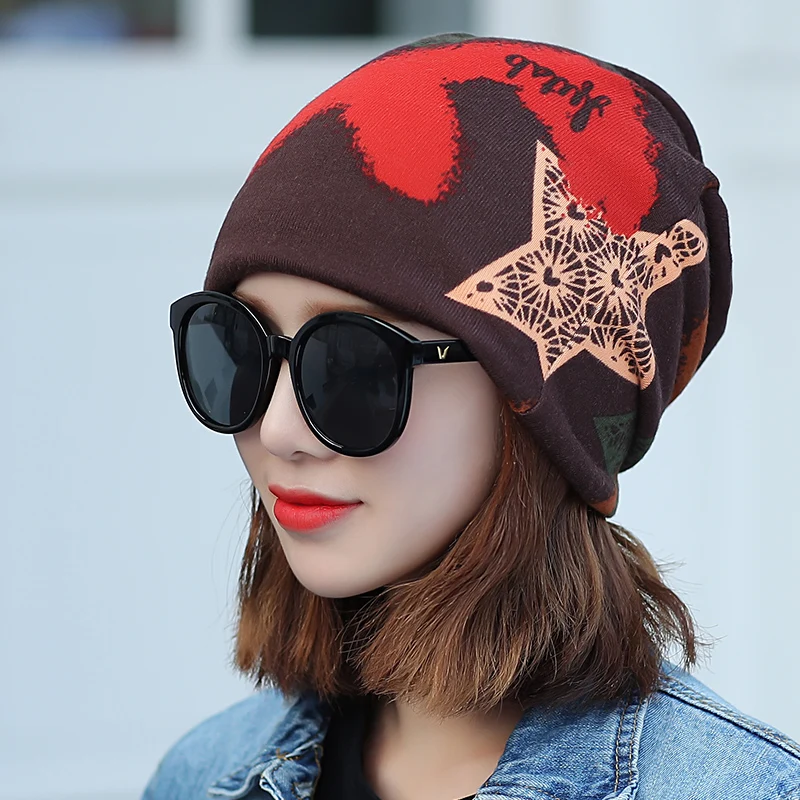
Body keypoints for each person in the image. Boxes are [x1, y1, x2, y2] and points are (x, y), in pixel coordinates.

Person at [144, 33, 800, 800]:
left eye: (353, 364)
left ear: (542, 408)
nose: (278, 431)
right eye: (239, 346)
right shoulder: (203, 775)